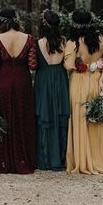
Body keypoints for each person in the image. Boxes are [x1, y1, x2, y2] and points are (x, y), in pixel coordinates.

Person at [64, 8, 103, 174]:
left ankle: (82, 160)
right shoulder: (101, 39)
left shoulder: (73, 42)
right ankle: (98, 158)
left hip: (78, 83)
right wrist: (101, 80)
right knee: (96, 121)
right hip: (96, 83)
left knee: (80, 120)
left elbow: (69, 65)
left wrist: (84, 65)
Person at [0, 8, 37, 174]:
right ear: (16, 20)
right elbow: (32, 65)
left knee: (5, 118)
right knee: (22, 117)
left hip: (4, 81)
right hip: (22, 82)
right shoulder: (28, 38)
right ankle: (23, 158)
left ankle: (4, 160)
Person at [34, 10, 70, 170]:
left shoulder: (39, 42)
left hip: (44, 79)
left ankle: (46, 158)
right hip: (60, 78)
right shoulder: (64, 41)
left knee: (45, 115)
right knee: (59, 115)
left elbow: (34, 64)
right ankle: (60, 158)